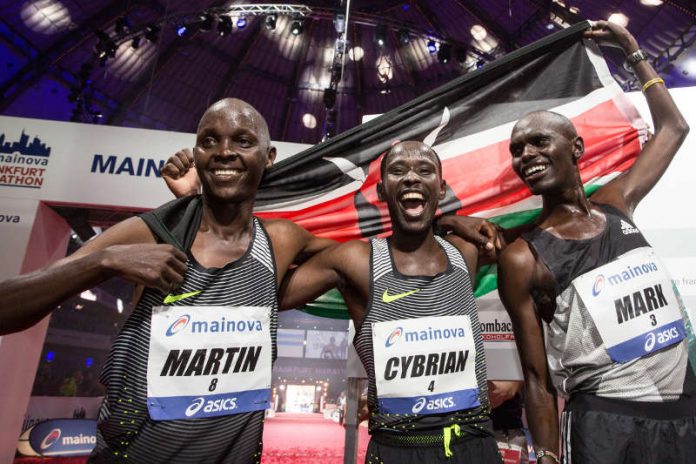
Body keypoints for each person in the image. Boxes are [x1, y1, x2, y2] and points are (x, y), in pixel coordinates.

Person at [0, 98, 338, 463]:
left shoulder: (280, 242)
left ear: (268, 157)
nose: (224, 151)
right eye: (209, 141)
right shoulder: (153, 233)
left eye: (242, 141)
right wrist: (104, 261)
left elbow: (363, 263)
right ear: (195, 153)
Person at [497, 21, 695, 464]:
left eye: (538, 141)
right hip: (603, 423)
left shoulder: (617, 203)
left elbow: (673, 128)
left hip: (682, 409)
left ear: (576, 148)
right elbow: (535, 377)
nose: (525, 154)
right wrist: (547, 456)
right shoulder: (523, 257)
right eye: (517, 150)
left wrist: (632, 49)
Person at [278, 141, 501, 463]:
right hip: (397, 449)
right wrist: (292, 236)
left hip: (474, 444)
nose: (411, 177)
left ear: (441, 188)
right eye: (398, 170)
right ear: (382, 192)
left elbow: (532, 241)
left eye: (424, 170)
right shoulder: (355, 260)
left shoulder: (465, 251)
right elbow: (260, 296)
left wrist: (451, 221)